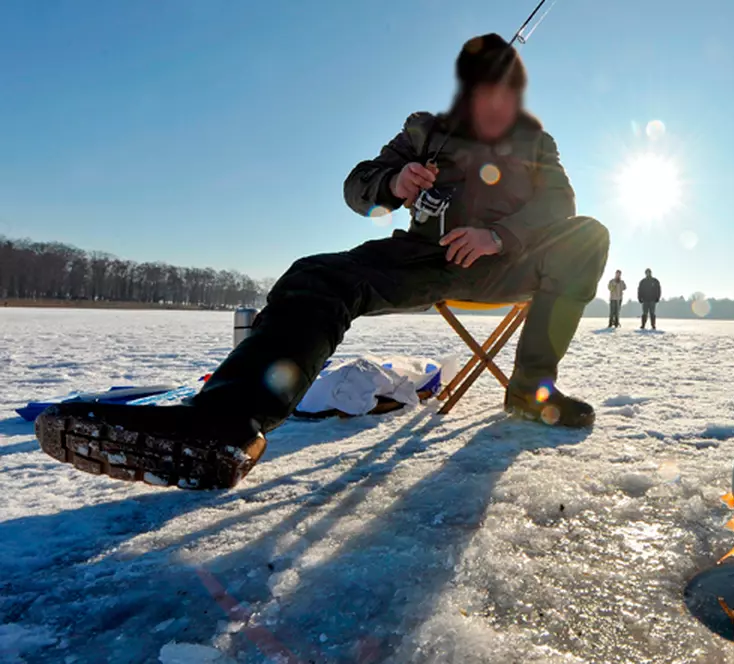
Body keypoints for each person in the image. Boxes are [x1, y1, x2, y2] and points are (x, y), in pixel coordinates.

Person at [34, 33, 610, 490]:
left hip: (507, 259)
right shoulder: (424, 131)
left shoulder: (536, 142)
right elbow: (357, 188)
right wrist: (392, 182)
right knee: (317, 273)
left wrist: (498, 235)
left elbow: (560, 204)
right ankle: (223, 427)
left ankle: (533, 390)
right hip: (423, 257)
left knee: (589, 235)